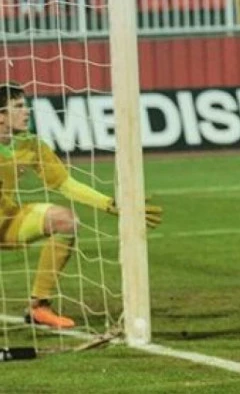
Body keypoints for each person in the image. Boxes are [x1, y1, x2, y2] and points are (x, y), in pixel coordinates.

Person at [0, 82, 163, 328]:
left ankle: (39, 306)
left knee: (65, 221)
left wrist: (109, 204)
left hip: (7, 222)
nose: (26, 111)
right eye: (18, 106)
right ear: (1, 116)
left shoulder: (31, 144)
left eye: (25, 105)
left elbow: (65, 184)